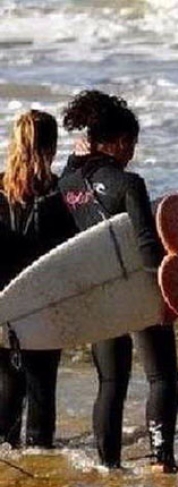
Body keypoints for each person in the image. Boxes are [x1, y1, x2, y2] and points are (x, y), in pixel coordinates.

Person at [57, 90, 178, 472]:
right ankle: (162, 459)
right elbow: (146, 245)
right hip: (135, 289)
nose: (132, 154)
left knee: (110, 382)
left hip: (97, 290)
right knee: (161, 378)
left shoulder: (66, 183)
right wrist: (165, 293)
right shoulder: (129, 183)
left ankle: (108, 465)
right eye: (132, 145)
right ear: (120, 142)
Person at [0, 109, 76, 448]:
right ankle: (40, 452)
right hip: (45, 299)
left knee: (8, 384)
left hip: (3, 300)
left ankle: (7, 454)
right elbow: (73, 249)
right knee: (42, 387)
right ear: (53, 146)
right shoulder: (60, 193)